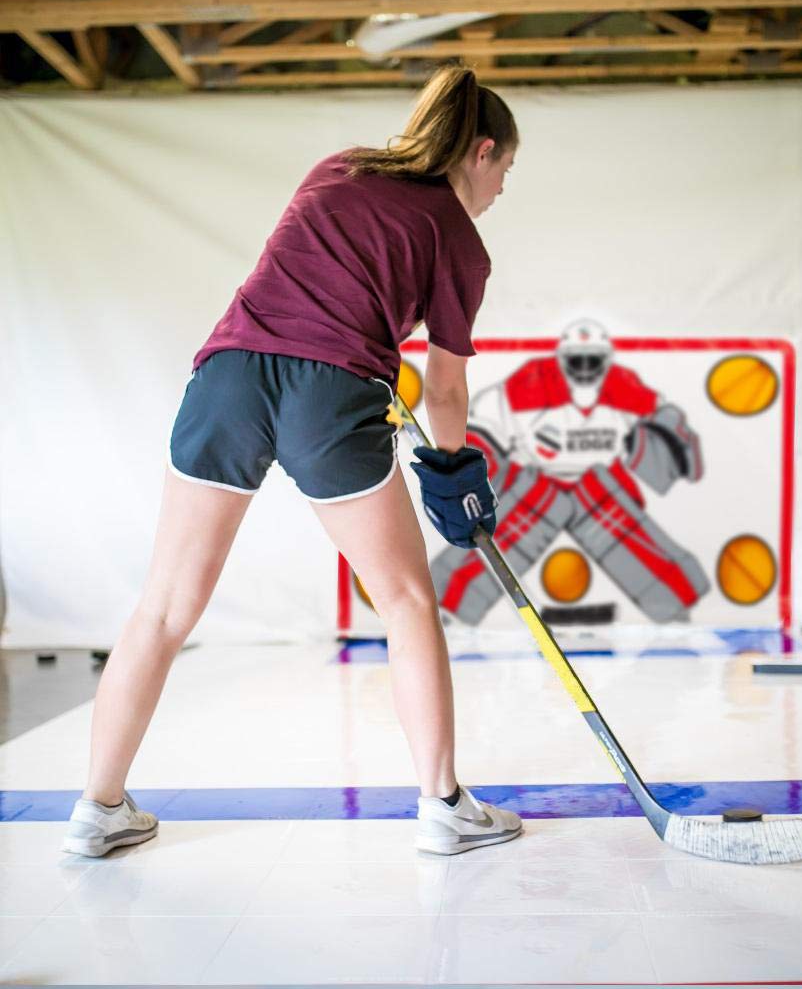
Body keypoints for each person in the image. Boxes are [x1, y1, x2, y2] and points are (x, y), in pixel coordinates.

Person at [61, 65, 523, 859]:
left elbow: (310, 277)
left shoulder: (339, 167)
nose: (502, 189)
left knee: (164, 609)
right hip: (330, 391)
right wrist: (453, 467)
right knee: (407, 600)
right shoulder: (460, 242)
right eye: (505, 170)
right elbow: (444, 389)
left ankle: (98, 809)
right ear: (480, 151)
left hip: (227, 380)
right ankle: (444, 807)